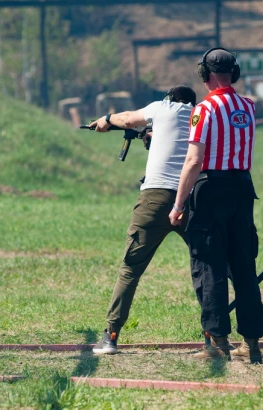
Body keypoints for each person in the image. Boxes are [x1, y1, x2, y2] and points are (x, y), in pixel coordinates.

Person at [169, 48, 263, 363]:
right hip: (242, 187)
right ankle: (251, 344)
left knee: (209, 264)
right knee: (243, 265)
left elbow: (194, 160)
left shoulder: (204, 109)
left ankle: (218, 343)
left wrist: (178, 203)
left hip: (211, 189)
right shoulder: (248, 106)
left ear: (204, 75)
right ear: (233, 73)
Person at [89, 85, 197, 355]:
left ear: (170, 99)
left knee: (130, 269)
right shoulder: (200, 115)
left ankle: (110, 337)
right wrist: (153, 136)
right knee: (207, 266)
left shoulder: (162, 108)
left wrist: (106, 120)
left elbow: (127, 118)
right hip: (192, 200)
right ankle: (214, 336)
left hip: (154, 199)